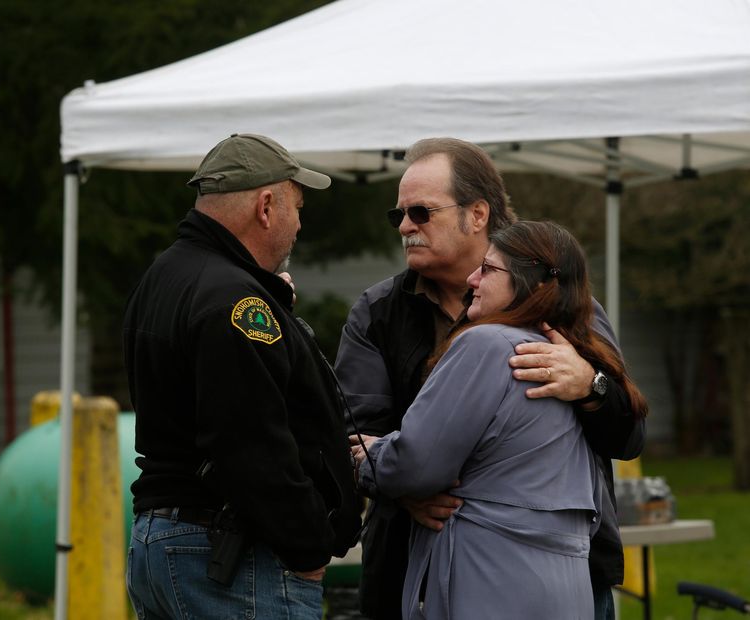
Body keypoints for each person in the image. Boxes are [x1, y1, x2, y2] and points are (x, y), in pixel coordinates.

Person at [334, 138, 645, 620]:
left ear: (477, 214)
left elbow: (630, 436)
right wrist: (408, 486)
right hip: (413, 565)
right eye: (396, 215)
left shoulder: (564, 307)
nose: (405, 226)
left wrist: (591, 386)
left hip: (567, 567)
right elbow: (354, 433)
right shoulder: (378, 312)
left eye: (420, 212)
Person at [123, 133, 363, 619]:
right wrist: (309, 547)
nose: (299, 224)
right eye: (297, 206)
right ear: (267, 206)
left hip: (164, 540)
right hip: (228, 555)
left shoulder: (167, 274)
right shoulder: (237, 301)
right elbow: (251, 444)